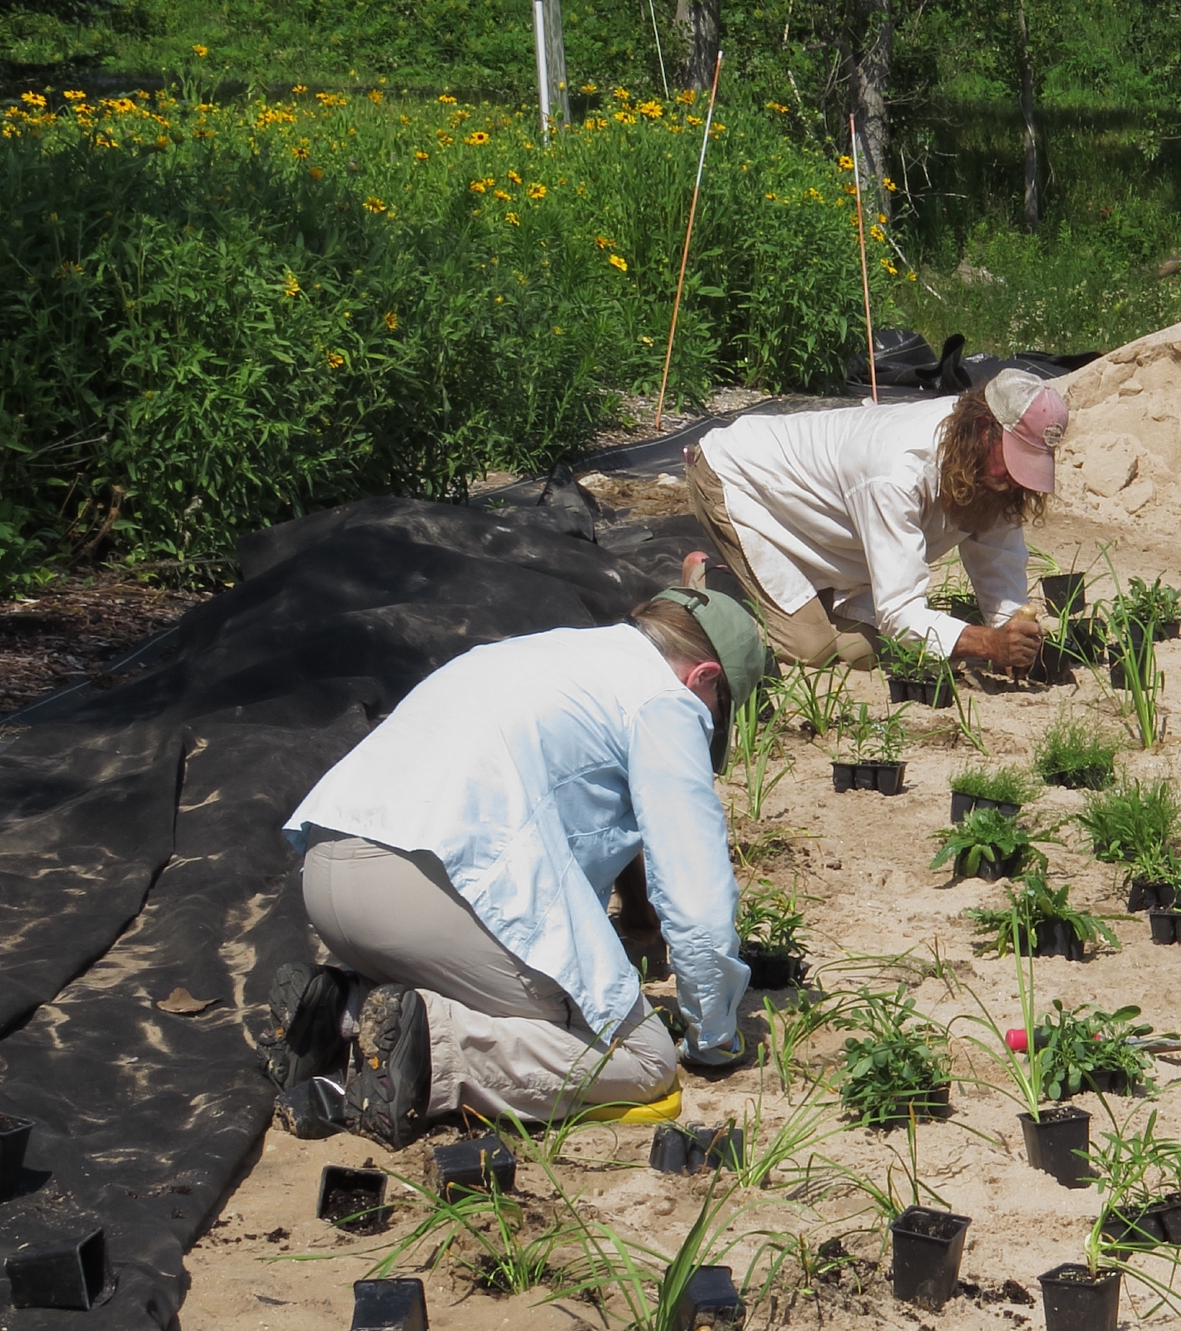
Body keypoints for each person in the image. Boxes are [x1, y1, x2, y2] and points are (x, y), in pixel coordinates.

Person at [261, 586, 766, 1149]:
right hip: (427, 895)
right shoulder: (664, 701)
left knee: (501, 978)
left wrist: (633, 927)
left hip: (331, 878)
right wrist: (714, 1035)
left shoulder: (536, 655)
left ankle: (341, 1010)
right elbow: (695, 895)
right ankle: (435, 1050)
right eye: (722, 709)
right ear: (705, 677)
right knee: (642, 1060)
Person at [683, 368, 1068, 672]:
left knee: (863, 650)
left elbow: (998, 558)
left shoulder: (986, 464)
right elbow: (899, 610)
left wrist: (1012, 629)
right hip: (744, 483)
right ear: (985, 430)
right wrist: (987, 644)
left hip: (825, 529)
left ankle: (803, 592)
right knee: (809, 649)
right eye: (1015, 459)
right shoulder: (897, 471)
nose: (1016, 478)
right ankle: (715, 583)